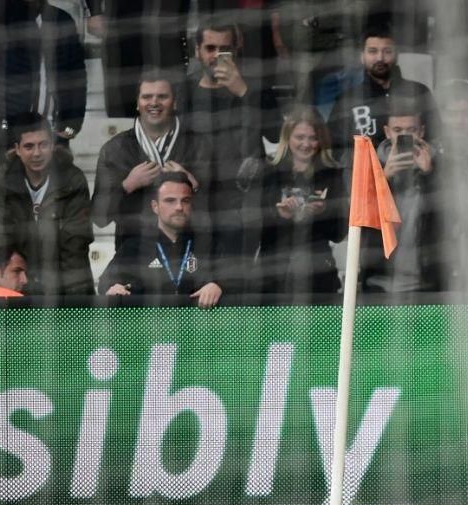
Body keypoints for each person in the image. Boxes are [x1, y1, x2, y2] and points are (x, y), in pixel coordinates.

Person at [183, 18, 281, 284]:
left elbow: (277, 135)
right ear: (197, 51)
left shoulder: (255, 87)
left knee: (235, 285)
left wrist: (243, 91)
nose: (217, 55)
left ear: (237, 50)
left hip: (242, 210)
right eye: (210, 48)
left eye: (224, 49)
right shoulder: (184, 92)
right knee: (194, 283)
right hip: (196, 206)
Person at [91, 72, 210, 250]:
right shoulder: (114, 150)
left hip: (188, 250)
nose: (154, 103)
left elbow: (217, 209)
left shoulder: (198, 145)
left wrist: (193, 184)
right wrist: (127, 186)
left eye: (162, 96)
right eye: (147, 97)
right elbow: (99, 218)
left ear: (175, 102)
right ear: (137, 103)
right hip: (133, 251)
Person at [0, 112, 93, 298]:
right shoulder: (1, 181)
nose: (37, 153)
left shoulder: (73, 180)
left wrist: (73, 302)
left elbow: (75, 247)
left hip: (64, 282)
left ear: (53, 145)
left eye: (43, 145)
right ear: (17, 149)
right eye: (29, 146)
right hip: (17, 278)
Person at [257, 106, 346, 299]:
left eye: (313, 138)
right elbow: (253, 227)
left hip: (318, 278)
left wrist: (323, 212)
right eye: (300, 137)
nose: (306, 144)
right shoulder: (268, 172)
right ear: (287, 137)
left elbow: (340, 234)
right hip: (274, 278)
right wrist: (279, 215)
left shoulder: (333, 173)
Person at [0, 0, 86, 165]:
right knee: (6, 180)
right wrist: (3, 130)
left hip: (54, 133)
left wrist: (71, 126)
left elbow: (76, 75)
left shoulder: (62, 20)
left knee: (61, 181)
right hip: (10, 134)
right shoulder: (3, 22)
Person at [100, 173, 223, 307]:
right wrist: (114, 288)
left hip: (195, 319)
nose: (179, 207)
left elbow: (232, 277)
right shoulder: (135, 246)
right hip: (149, 319)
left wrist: (218, 285)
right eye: (170, 200)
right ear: (155, 207)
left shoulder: (207, 243)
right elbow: (105, 283)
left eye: (185, 200)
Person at [362, 103, 442, 292]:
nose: (404, 136)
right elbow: (358, 219)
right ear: (387, 132)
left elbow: (448, 218)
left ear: (421, 132)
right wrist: (384, 179)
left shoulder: (439, 166)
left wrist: (429, 174)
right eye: (397, 130)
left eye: (411, 130)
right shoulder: (369, 165)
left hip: (425, 283)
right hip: (378, 282)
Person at [326, 25, 439, 156]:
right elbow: (336, 149)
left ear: (397, 55)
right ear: (362, 56)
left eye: (387, 51)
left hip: (412, 167)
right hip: (366, 169)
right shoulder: (347, 100)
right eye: (372, 51)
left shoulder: (419, 92)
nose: (380, 58)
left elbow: (436, 138)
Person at [85, 0, 191, 119]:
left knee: (169, 93)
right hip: (123, 22)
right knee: (124, 95)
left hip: (167, 20)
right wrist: (94, 12)